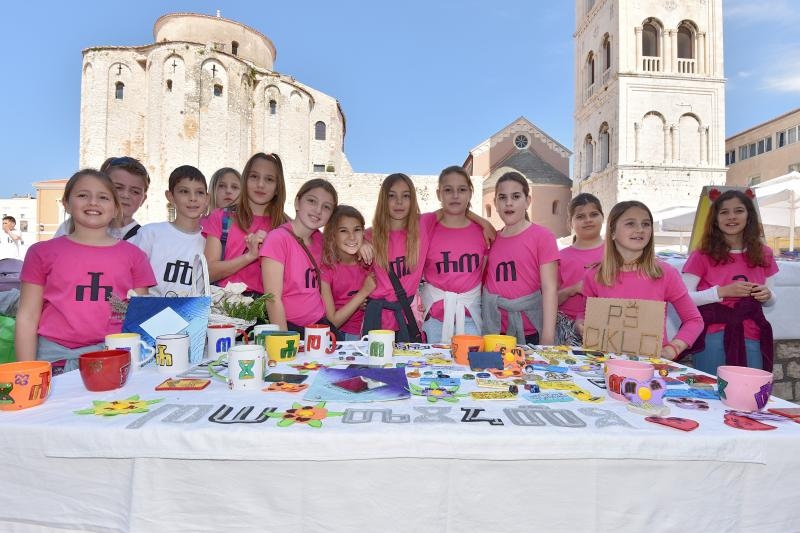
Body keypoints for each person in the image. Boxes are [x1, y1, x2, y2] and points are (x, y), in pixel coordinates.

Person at [15, 169, 156, 371]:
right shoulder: (41, 252)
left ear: (116, 208)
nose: (93, 202)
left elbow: (139, 319)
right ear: (66, 203)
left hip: (114, 359)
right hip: (54, 360)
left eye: (103, 197)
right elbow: (27, 316)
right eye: (83, 195)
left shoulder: (135, 256)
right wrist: (28, 371)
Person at [576, 200, 703, 360]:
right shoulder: (595, 275)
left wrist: (673, 349)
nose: (640, 229)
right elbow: (584, 313)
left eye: (646, 224)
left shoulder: (665, 273)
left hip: (651, 366)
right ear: (612, 231)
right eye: (630, 223)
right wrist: (580, 323)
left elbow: (694, 320)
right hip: (604, 364)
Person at [683, 189, 779, 374]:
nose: (731, 217)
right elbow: (684, 298)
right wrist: (722, 292)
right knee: (711, 387)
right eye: (724, 212)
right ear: (715, 219)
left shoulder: (765, 253)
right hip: (712, 335)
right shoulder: (701, 255)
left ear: (749, 216)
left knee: (749, 388)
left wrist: (767, 295)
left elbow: (770, 298)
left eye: (739, 211)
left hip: (751, 334)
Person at [482, 172, 558, 345]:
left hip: (531, 332)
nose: (508, 203)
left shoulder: (543, 236)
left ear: (527, 201)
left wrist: (547, 336)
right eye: (502, 197)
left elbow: (550, 288)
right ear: (495, 203)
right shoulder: (491, 238)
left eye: (516, 196)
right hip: (495, 331)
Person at [361, 173, 438, 341]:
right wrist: (360, 242)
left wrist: (483, 224)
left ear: (413, 199)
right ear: (383, 200)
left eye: (406, 196)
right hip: (378, 318)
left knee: (410, 358)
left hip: (407, 317)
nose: (399, 202)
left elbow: (453, 209)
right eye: (392, 196)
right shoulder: (369, 236)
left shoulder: (423, 225)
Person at [203, 153, 288, 296]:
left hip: (268, 306)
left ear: (277, 188)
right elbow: (208, 273)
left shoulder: (287, 227)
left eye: (269, 179)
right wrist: (250, 256)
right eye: (254, 176)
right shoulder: (222, 217)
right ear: (244, 180)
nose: (260, 184)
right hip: (224, 304)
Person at [420, 166, 488, 343]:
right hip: (434, 319)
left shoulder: (483, 232)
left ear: (470, 193)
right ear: (439, 194)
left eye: (462, 190)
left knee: (470, 361)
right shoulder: (427, 229)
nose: (455, 195)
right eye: (448, 190)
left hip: (470, 317)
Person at [262, 179, 337, 333]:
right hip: (290, 328)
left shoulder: (321, 241)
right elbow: (272, 299)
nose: (318, 210)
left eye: (326, 207)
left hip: (318, 327)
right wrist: (283, 340)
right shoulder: (278, 239)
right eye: (312, 201)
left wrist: (363, 244)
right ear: (297, 203)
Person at [131, 165, 209, 296]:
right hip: (151, 307)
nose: (193, 198)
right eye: (184, 191)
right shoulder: (150, 233)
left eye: (200, 192)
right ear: (170, 196)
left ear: (207, 198)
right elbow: (133, 278)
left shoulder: (210, 241)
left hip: (193, 308)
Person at [54, 156, 150, 240]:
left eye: (135, 192)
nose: (125, 195)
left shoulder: (145, 238)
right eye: (118, 187)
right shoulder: (69, 228)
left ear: (143, 199)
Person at [321, 205, 376, 341]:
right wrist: (362, 293)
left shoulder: (369, 259)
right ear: (332, 235)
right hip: (342, 335)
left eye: (357, 230)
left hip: (372, 329)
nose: (352, 237)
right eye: (343, 231)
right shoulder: (326, 269)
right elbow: (332, 322)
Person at [556, 193, 604, 345]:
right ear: (570, 223)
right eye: (580, 216)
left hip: (607, 329)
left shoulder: (616, 254)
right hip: (567, 330)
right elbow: (549, 300)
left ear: (603, 217)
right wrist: (573, 289)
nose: (588, 220)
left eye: (594, 214)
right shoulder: (560, 257)